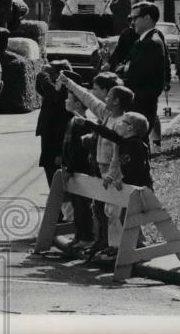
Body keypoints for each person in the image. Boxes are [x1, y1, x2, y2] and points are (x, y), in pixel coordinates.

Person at [59, 75, 148, 257]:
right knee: (101, 208)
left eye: (108, 97)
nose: (103, 99)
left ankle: (123, 244)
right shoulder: (106, 114)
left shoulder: (123, 123)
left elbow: (118, 155)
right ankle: (104, 242)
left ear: (115, 101)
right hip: (99, 167)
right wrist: (68, 83)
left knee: (115, 210)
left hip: (113, 171)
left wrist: (113, 174)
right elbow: (87, 98)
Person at [123, 2, 169, 149]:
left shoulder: (151, 42)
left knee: (137, 142)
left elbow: (138, 74)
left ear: (147, 18)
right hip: (140, 98)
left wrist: (125, 70)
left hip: (142, 99)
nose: (132, 22)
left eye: (135, 18)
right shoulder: (143, 40)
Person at [60, 86, 96, 248]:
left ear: (78, 105)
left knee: (83, 206)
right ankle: (79, 235)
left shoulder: (83, 123)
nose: (66, 101)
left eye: (69, 99)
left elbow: (78, 150)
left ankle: (87, 238)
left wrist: (70, 169)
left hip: (79, 170)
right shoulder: (72, 120)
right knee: (76, 205)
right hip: (71, 168)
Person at [35, 62, 78, 188]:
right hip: (49, 134)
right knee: (49, 168)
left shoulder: (66, 91)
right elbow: (41, 88)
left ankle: (61, 203)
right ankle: (56, 200)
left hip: (58, 138)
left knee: (55, 170)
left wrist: (44, 75)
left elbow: (53, 94)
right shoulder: (55, 89)